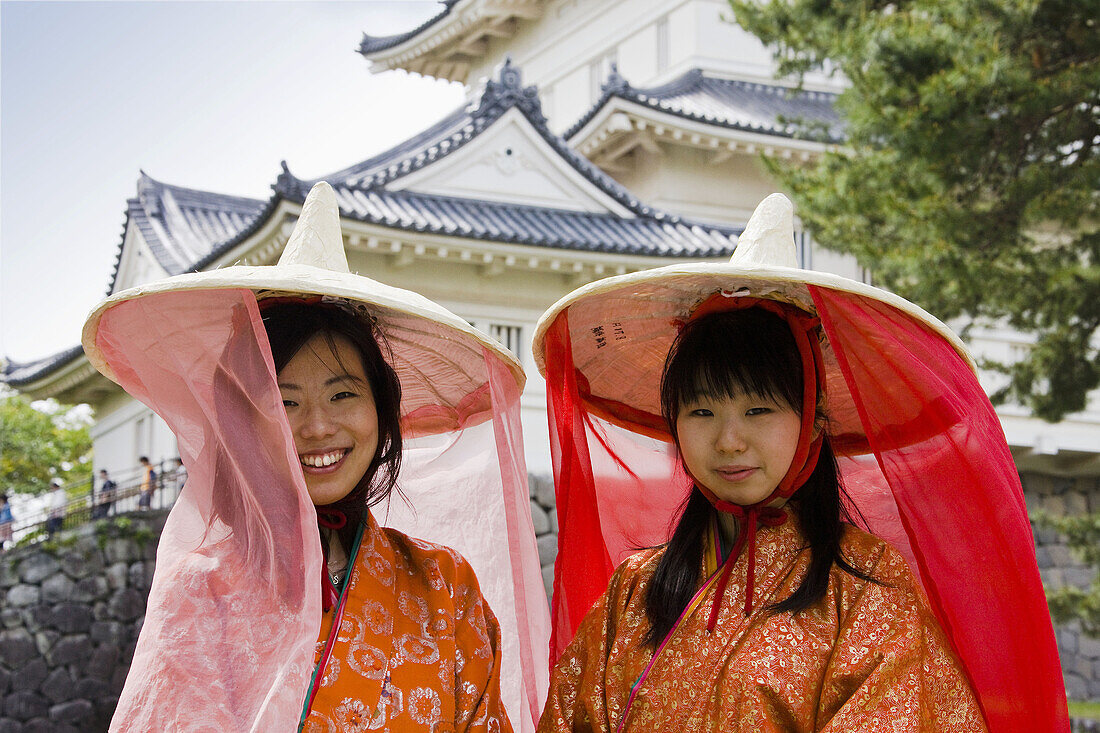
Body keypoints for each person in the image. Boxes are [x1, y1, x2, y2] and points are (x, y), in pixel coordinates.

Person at [531, 194, 1067, 731]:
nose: (729, 440)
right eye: (701, 410)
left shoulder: (865, 592)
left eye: (758, 408)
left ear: (813, 419)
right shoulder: (635, 589)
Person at [81, 182, 549, 732]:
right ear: (242, 425)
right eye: (283, 403)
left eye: (344, 394)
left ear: (382, 410)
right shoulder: (204, 587)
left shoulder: (444, 584)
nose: (318, 426)